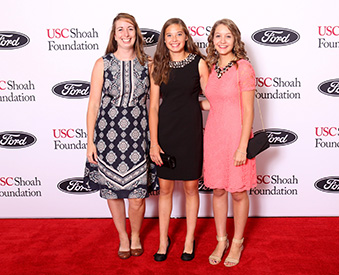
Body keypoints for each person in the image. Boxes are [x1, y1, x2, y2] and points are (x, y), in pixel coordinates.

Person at [83, 13, 157, 260]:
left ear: (136, 33)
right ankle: (123, 237)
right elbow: (93, 105)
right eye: (120, 30)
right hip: (107, 135)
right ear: (113, 35)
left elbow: (155, 105)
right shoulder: (102, 63)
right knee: (112, 192)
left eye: (130, 29)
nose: (125, 34)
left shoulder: (149, 64)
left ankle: (135, 234)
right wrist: (90, 141)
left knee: (137, 197)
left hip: (138, 136)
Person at [149, 18, 209, 262]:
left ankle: (189, 239)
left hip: (190, 131)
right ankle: (163, 240)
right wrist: (154, 142)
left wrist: (214, 106)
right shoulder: (158, 65)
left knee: (191, 187)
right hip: (166, 131)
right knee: (165, 188)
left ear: (186, 37)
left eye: (178, 34)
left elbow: (210, 98)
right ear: (164, 40)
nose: (174, 39)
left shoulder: (199, 63)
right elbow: (153, 106)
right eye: (169, 35)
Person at [202, 19, 257, 267]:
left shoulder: (243, 68)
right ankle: (221, 239)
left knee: (237, 191)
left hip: (237, 137)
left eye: (227, 36)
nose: (222, 41)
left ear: (235, 39)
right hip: (214, 137)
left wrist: (242, 146)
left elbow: (248, 111)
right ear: (212, 40)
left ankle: (237, 241)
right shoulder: (212, 67)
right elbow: (213, 104)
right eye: (217, 36)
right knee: (218, 190)